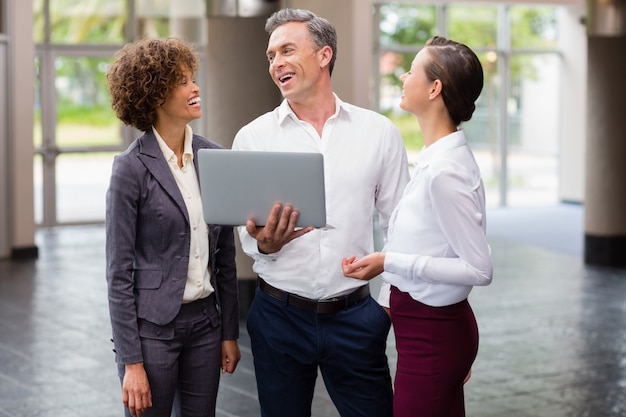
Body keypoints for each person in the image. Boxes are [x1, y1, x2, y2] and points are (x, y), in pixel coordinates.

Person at [231, 8, 410, 417]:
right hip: (277, 319)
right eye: (271, 55)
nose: (276, 63)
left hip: (356, 318)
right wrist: (264, 244)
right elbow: (248, 236)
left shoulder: (377, 132)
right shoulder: (253, 137)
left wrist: (382, 309)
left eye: (287, 50)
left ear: (324, 55)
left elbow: (402, 223)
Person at [342, 36, 494, 417]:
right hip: (431, 334)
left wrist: (389, 261)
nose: (403, 76)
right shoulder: (437, 158)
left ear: (434, 88)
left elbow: (479, 268)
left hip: (433, 337)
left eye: (412, 70)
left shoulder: (445, 172)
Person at [105, 37, 241, 417]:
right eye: (182, 81)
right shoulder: (130, 168)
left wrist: (229, 332)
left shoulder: (214, 158)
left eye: (192, 78)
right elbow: (118, 274)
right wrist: (132, 363)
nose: (195, 87)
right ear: (155, 94)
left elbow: (224, 256)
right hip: (152, 332)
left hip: (205, 325)